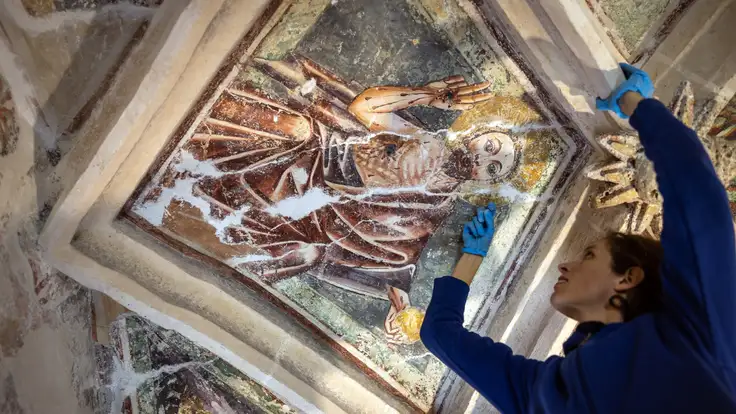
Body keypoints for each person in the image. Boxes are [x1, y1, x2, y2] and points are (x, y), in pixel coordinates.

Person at [420, 64, 736, 413]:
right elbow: (697, 192)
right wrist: (635, 104)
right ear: (628, 276)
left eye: (587, 255)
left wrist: (473, 258)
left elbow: (439, 334)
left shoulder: (544, 395)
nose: (564, 265)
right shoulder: (693, 330)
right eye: (589, 254)